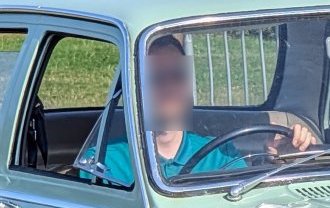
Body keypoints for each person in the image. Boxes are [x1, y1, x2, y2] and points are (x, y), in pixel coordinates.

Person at [81, 34, 316, 185]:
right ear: (135, 86)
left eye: (178, 76)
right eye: (156, 78)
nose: (170, 88)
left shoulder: (219, 154)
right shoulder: (104, 162)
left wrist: (277, 162)